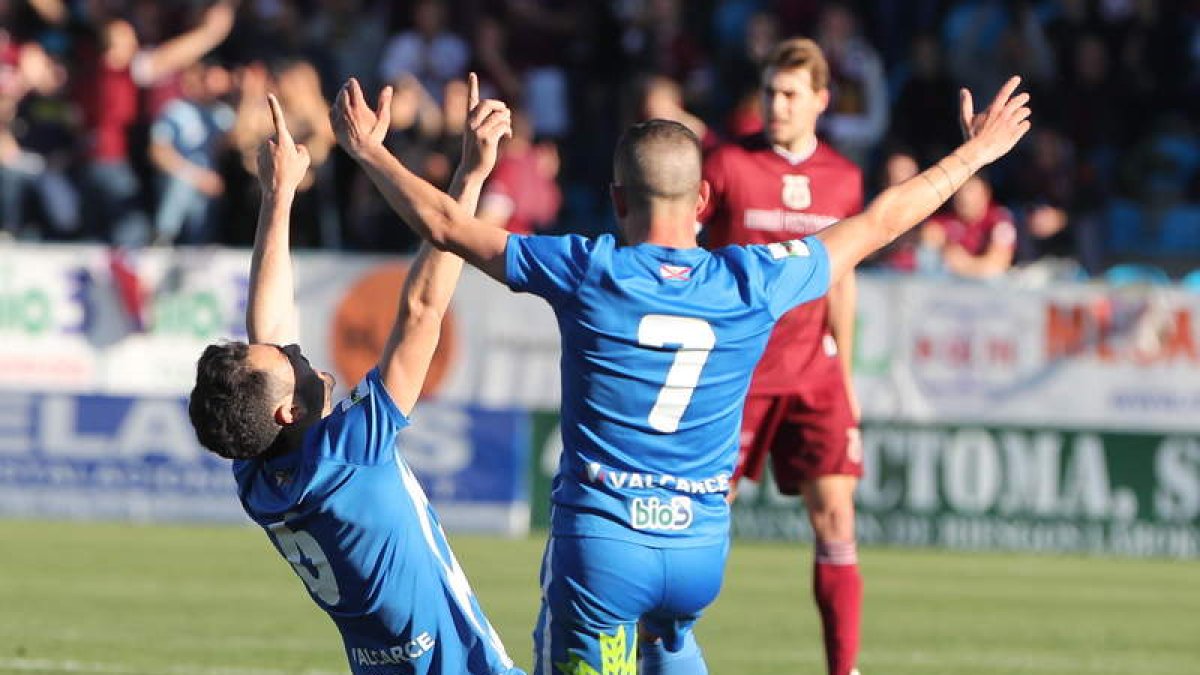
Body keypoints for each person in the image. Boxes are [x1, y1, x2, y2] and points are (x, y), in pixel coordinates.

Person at [332, 72, 1031, 674]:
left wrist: (368, 150)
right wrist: (978, 151)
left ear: (617, 199)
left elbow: (448, 227)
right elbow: (881, 221)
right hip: (697, 553)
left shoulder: (588, 269)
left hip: (605, 551)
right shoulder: (751, 278)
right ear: (703, 202)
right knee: (671, 636)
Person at [187, 78, 524, 675]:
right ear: (286, 412)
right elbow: (421, 310)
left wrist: (279, 194)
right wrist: (468, 179)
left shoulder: (258, 474)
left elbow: (266, 335)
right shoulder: (349, 455)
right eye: (287, 364)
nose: (295, 353)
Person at [699, 37, 864, 675]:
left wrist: (845, 376)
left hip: (815, 374)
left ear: (821, 101)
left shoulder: (844, 177)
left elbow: (843, 281)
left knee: (836, 517)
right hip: (738, 371)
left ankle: (843, 670)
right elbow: (685, 247)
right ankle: (664, 651)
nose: (778, 104)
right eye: (770, 91)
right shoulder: (725, 164)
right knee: (703, 518)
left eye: (791, 93)